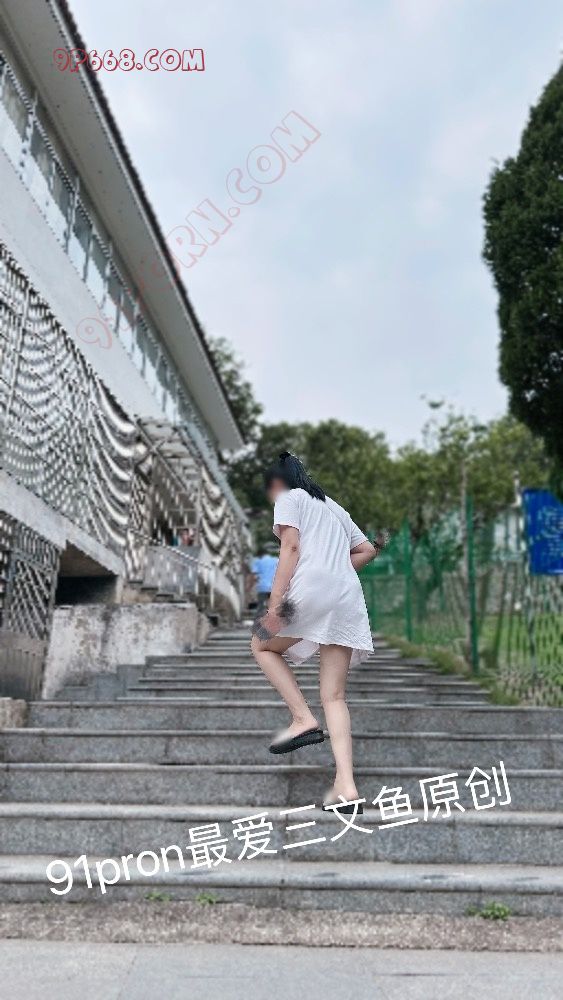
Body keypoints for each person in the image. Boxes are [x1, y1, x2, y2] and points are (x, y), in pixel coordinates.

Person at [250, 451, 380, 813]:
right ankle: (346, 787)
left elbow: (290, 547)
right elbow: (368, 550)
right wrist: (337, 567)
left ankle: (302, 718)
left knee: (261, 644)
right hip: (346, 597)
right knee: (334, 696)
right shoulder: (334, 508)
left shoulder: (288, 497)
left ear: (276, 481)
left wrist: (275, 604)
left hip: (306, 592)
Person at [252, 550, 279, 615]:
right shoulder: (276, 560)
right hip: (273, 587)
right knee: (273, 606)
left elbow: (255, 576)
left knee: (260, 606)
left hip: (262, 587)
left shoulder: (258, 561)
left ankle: (259, 619)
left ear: (260, 555)